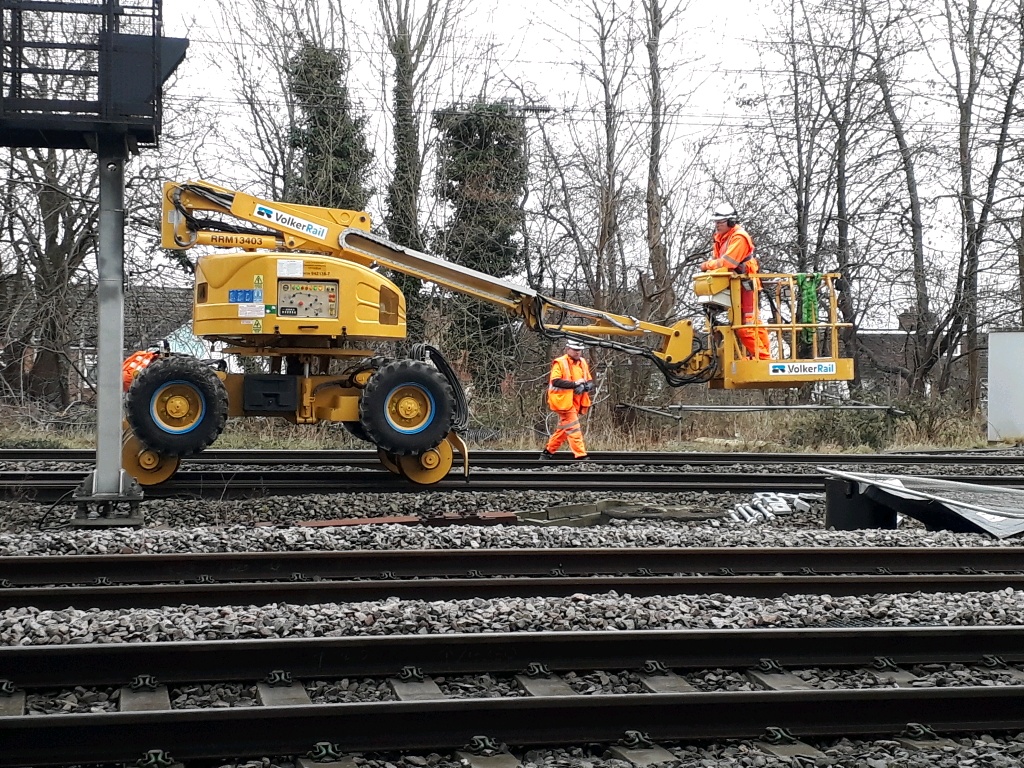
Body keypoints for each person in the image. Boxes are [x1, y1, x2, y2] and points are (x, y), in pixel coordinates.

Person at [700, 202, 771, 360]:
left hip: (746, 284)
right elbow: (719, 261)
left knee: (746, 327)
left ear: (731, 222)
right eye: (716, 222)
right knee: (752, 324)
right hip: (736, 285)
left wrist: (707, 265)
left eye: (720, 222)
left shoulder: (739, 237)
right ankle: (763, 357)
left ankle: (764, 359)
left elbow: (728, 263)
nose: (717, 225)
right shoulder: (721, 238)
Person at [540, 339, 594, 460]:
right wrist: (575, 384)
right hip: (563, 402)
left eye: (579, 350)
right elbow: (556, 381)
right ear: (568, 349)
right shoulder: (560, 362)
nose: (577, 352)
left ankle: (547, 452)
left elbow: (590, 381)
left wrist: (585, 387)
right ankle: (580, 456)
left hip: (576, 402)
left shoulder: (583, 362)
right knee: (574, 427)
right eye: (575, 350)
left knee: (564, 429)